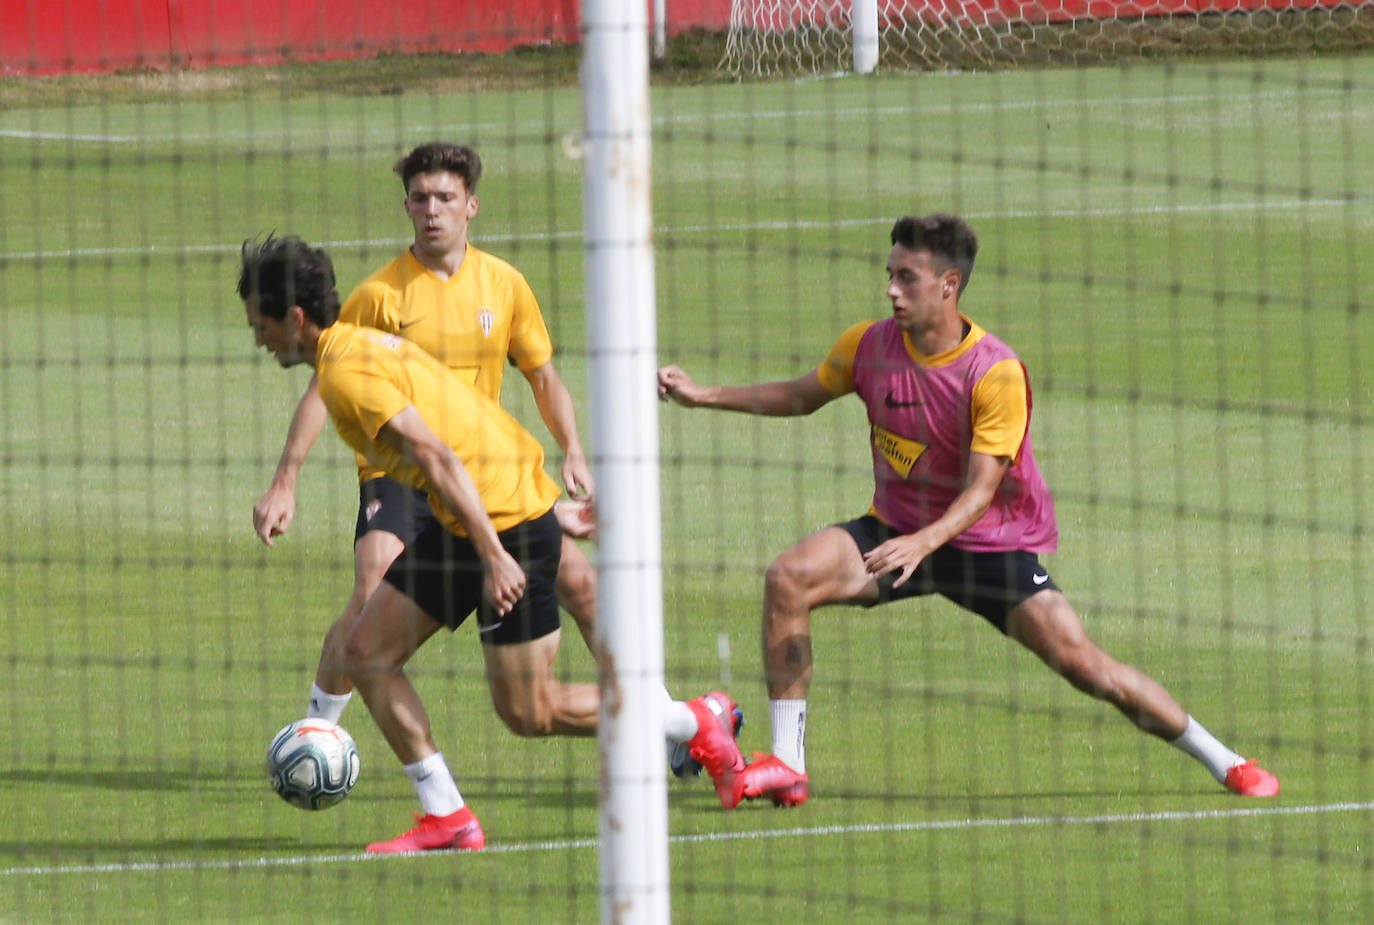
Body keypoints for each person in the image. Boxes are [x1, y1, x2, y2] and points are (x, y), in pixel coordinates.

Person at [656, 212, 1279, 808]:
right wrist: (702, 394)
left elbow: (981, 492)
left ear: (948, 285)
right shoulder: (870, 346)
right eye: (890, 275)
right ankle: (789, 766)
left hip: (986, 546)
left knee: (1089, 669)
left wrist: (924, 544)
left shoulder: (994, 372)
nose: (892, 291)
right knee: (787, 577)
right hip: (898, 534)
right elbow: (799, 394)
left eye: (907, 279)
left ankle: (1226, 761)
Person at [239, 234, 748, 853]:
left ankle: (694, 719)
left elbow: (437, 451)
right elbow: (465, 421)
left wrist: (501, 547)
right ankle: (448, 817)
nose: (259, 340)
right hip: (478, 514)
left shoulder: (349, 370)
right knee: (366, 651)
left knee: (530, 712)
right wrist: (541, 510)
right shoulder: (360, 342)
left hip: (493, 526)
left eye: (261, 326)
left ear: (294, 318)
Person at [249, 142, 601, 731]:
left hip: (479, 472)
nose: (431, 210)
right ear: (407, 207)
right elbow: (324, 382)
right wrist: (286, 481)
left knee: (583, 587)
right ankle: (319, 731)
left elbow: (543, 376)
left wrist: (574, 450)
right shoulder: (379, 296)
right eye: (419, 199)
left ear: (472, 206)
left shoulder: (505, 285)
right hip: (401, 471)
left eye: (444, 198)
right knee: (370, 597)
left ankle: (668, 724)